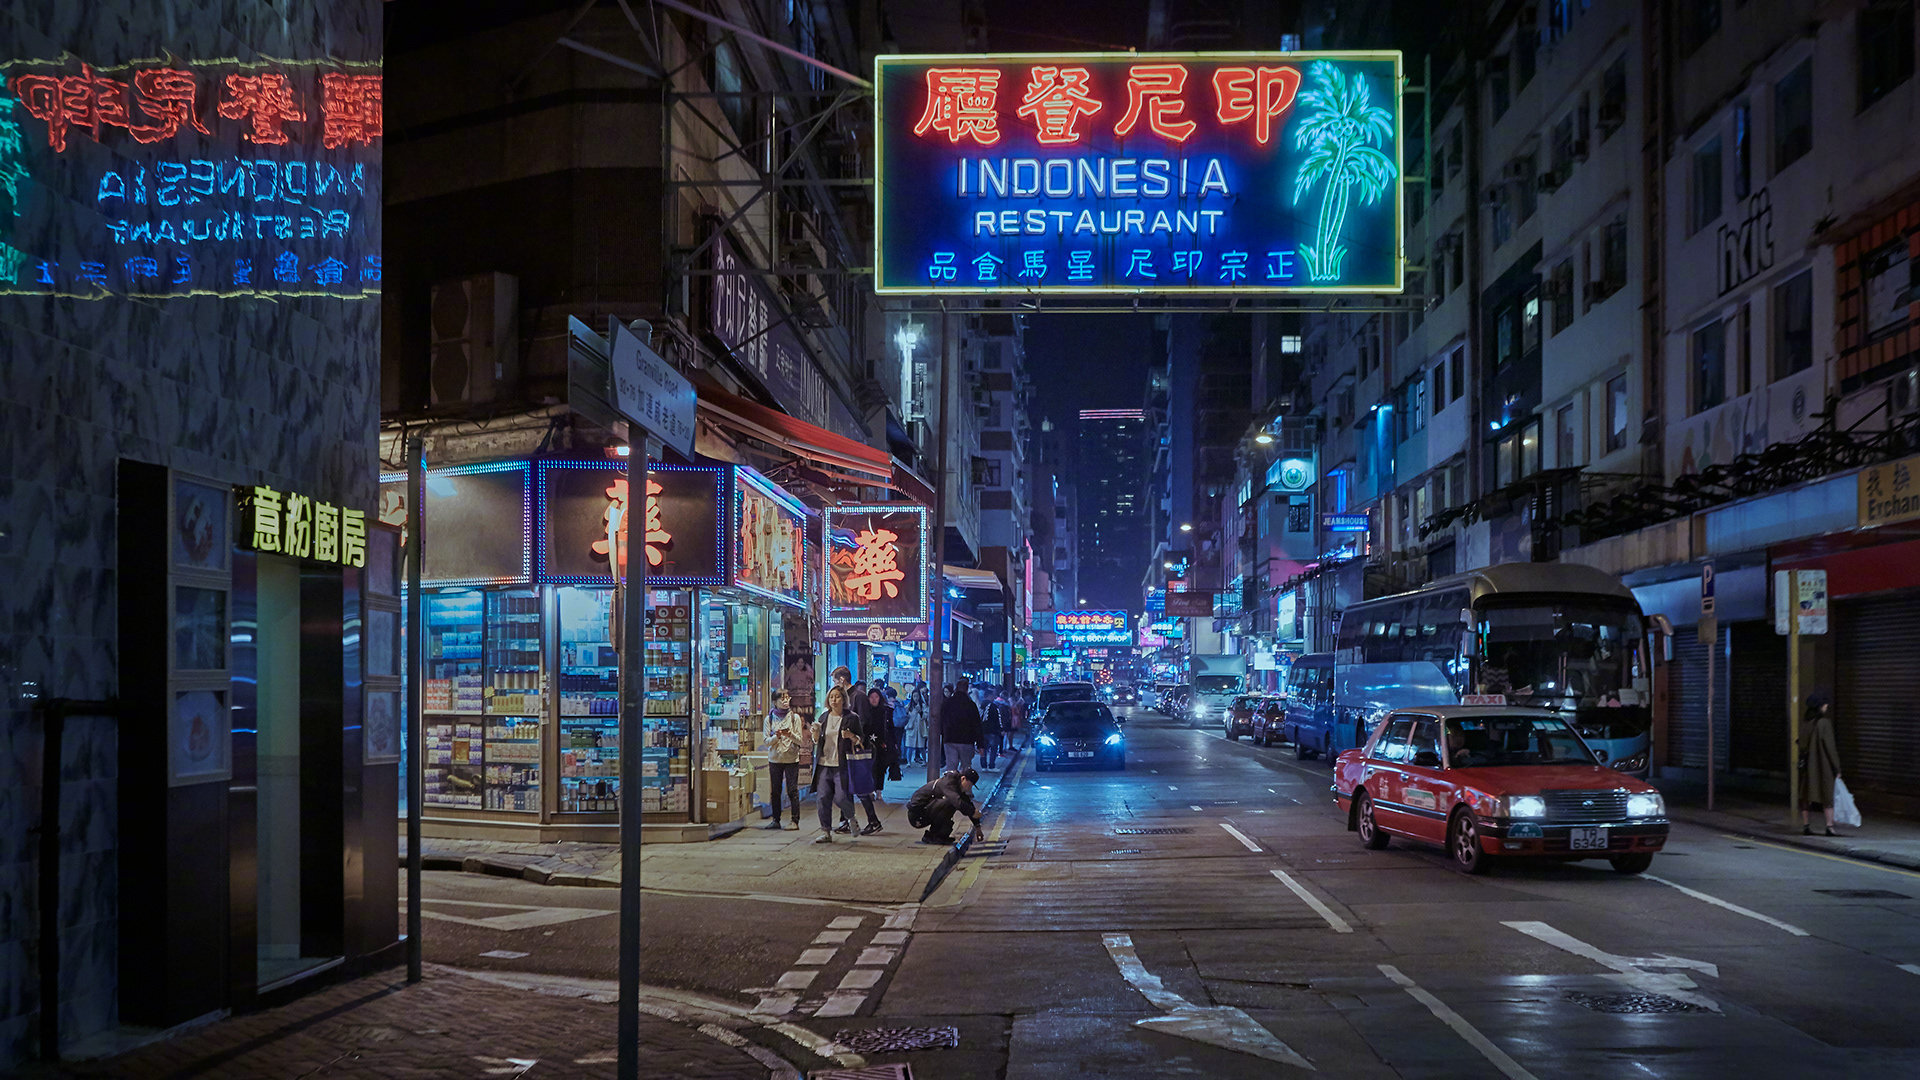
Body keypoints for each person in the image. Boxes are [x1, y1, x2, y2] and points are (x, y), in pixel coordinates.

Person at [809, 686, 859, 844]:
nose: (834, 700)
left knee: (841, 797)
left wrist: (851, 736)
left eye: (837, 697)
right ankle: (826, 832)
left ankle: (851, 817)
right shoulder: (823, 717)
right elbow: (817, 740)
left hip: (842, 764)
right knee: (822, 798)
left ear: (843, 699)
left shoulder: (851, 718)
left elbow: (861, 740)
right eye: (831, 697)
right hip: (824, 764)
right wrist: (815, 733)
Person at [1799, 691, 1843, 837]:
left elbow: (1801, 743)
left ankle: (1806, 825)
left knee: (1805, 795)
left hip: (1807, 766)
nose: (1827, 706)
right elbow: (1830, 747)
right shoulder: (1824, 723)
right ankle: (1829, 827)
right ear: (1819, 706)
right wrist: (1837, 767)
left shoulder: (1805, 723)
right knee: (1827, 795)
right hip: (1822, 765)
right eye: (1825, 704)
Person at [763, 691, 808, 830]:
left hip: (791, 759)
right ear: (774, 702)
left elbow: (800, 741)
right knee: (775, 791)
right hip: (775, 759)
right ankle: (775, 820)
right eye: (782, 699)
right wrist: (776, 737)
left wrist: (790, 735)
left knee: (792, 790)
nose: (785, 702)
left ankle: (795, 820)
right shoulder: (769, 719)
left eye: (787, 698)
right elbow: (766, 741)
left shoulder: (795, 718)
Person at [907, 768, 982, 845]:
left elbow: (967, 803)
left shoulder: (957, 787)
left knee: (956, 803)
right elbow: (957, 802)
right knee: (950, 802)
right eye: (970, 785)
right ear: (963, 778)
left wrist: (977, 827)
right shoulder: (948, 783)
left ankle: (940, 836)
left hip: (926, 810)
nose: (970, 788)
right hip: (917, 815)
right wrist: (972, 812)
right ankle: (932, 836)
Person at [943, 677, 985, 772]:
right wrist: (980, 745)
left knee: (951, 768)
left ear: (956, 689)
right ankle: (963, 781)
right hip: (967, 740)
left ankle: (951, 781)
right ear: (966, 690)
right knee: (965, 767)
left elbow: (941, 720)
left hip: (950, 739)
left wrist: (943, 734)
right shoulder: (971, 705)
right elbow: (977, 725)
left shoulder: (947, 703)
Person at [982, 689, 1010, 770]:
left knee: (983, 749)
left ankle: (984, 766)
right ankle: (991, 766)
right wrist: (1001, 729)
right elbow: (998, 719)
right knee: (993, 749)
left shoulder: (980, 705)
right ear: (989, 696)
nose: (994, 697)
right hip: (992, 731)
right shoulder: (994, 706)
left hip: (982, 731)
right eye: (992, 695)